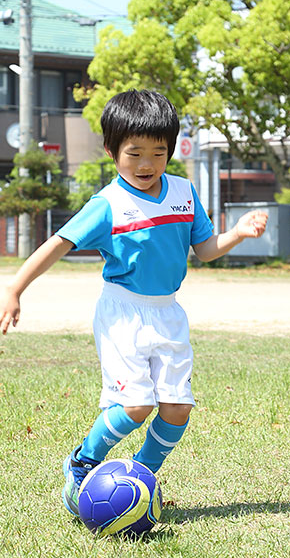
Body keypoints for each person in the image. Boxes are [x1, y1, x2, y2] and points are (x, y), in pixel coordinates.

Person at [0, 89, 268, 516]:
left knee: (178, 407)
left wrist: (236, 234)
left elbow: (205, 248)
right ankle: (82, 463)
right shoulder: (108, 204)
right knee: (135, 406)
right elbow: (56, 244)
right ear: (111, 151)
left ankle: (139, 481)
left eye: (158, 152)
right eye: (134, 153)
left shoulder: (183, 191)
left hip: (168, 312)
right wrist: (15, 289)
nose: (146, 164)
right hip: (123, 312)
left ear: (171, 151)